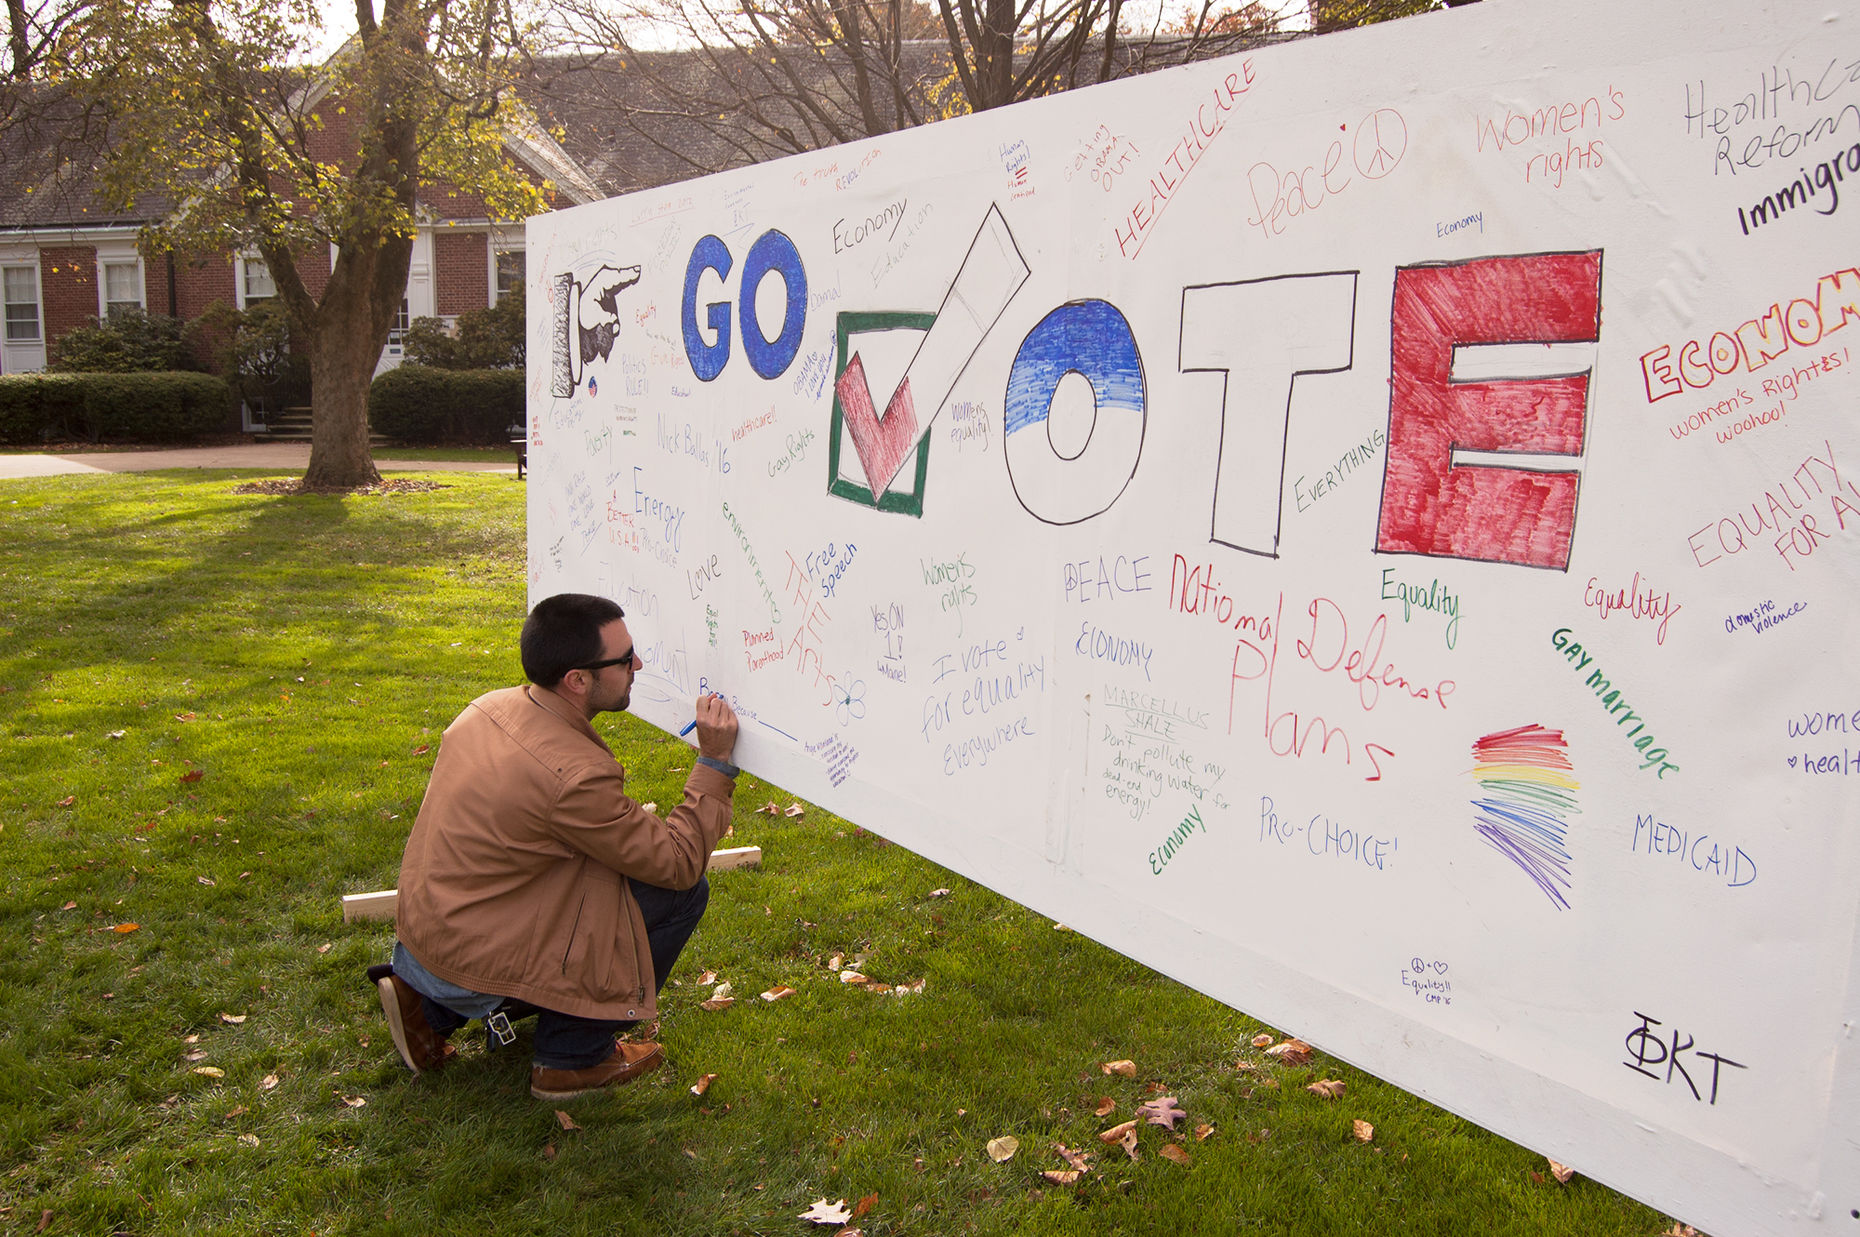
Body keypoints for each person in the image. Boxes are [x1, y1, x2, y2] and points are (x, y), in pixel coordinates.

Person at [371, 592, 740, 1100]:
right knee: (680, 893)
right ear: (577, 680)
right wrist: (714, 763)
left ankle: (427, 1007)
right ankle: (573, 1058)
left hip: (429, 935)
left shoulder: (488, 707)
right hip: (475, 953)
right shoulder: (573, 776)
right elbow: (676, 861)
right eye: (623, 659)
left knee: (600, 878)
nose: (637, 664)